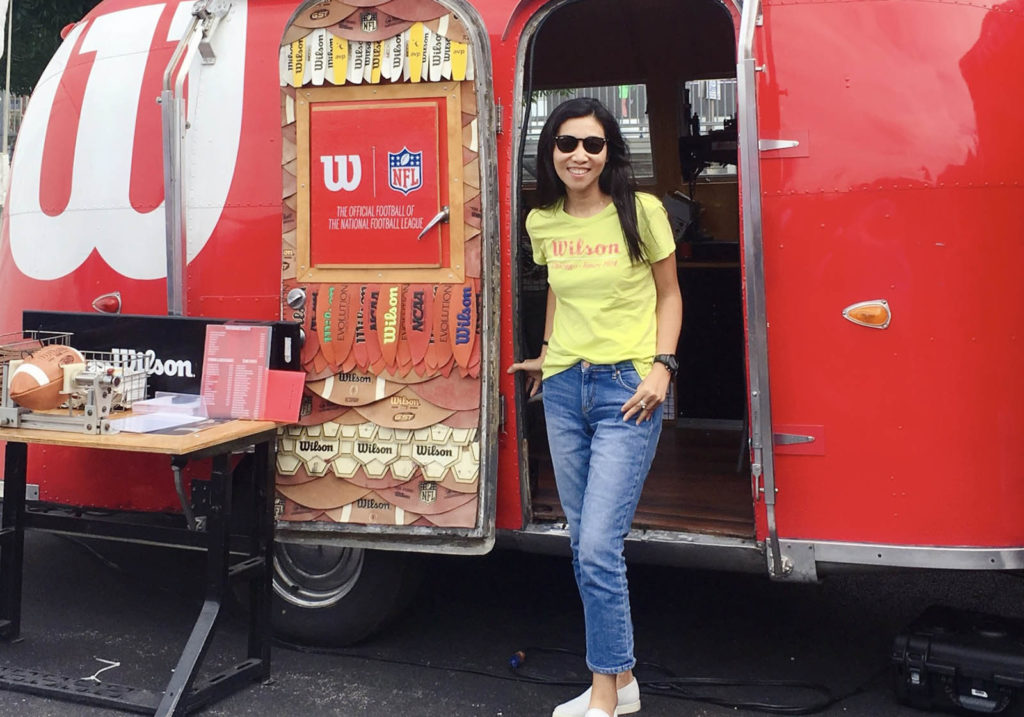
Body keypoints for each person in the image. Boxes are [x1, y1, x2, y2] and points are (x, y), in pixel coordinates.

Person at [508, 97, 682, 717]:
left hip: (628, 390)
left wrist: (663, 368)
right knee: (582, 542)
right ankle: (623, 677)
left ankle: (606, 696)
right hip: (562, 388)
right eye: (566, 143)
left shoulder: (642, 211)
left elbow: (669, 294)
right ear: (549, 151)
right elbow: (558, 289)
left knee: (600, 546)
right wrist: (547, 354)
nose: (579, 155)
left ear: (610, 152)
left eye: (592, 144)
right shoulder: (543, 222)